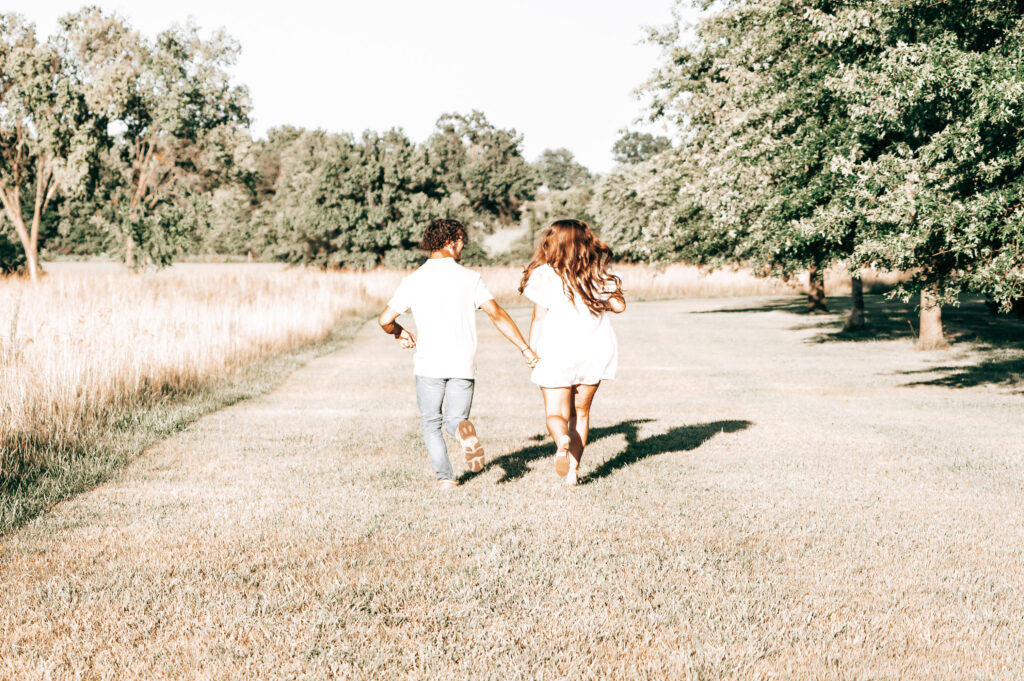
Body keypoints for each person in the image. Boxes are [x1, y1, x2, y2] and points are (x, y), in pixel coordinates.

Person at [379, 218, 538, 489]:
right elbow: (496, 313)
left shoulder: (414, 280)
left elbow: (385, 319)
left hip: (429, 363)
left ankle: (446, 479)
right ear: (450, 242)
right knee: (456, 420)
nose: (464, 245)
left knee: (431, 423)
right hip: (463, 362)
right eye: (462, 240)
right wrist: (525, 348)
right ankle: (462, 434)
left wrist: (398, 332)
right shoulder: (470, 278)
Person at [519, 219, 626, 486]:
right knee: (581, 413)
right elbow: (619, 306)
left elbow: (539, 318)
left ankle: (561, 440)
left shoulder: (544, 274)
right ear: (585, 242)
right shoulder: (598, 272)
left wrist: (532, 352)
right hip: (594, 351)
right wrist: (603, 301)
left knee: (556, 414)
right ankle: (573, 473)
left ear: (553, 243)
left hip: (556, 351)